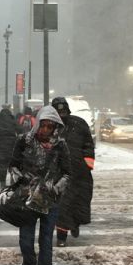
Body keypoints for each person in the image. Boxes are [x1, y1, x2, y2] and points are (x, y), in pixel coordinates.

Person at [9, 105, 71, 265]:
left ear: (55, 127)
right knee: (25, 240)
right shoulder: (24, 141)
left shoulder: (60, 146)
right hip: (28, 199)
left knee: (46, 242)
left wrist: (56, 187)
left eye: (49, 126)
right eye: (43, 125)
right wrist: (22, 179)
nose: (45, 130)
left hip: (50, 201)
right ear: (37, 124)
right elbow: (13, 165)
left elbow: (67, 173)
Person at [51, 97, 95, 247]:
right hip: (59, 174)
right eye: (58, 110)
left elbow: (88, 144)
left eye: (63, 110)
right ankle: (61, 236)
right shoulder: (49, 126)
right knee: (62, 205)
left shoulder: (79, 123)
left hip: (80, 173)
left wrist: (87, 163)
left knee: (79, 202)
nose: (61, 113)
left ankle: (75, 223)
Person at [0, 108, 21, 189]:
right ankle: (12, 183)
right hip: (11, 146)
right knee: (12, 165)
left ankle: (2, 184)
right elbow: (20, 130)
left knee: (2, 166)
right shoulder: (12, 121)